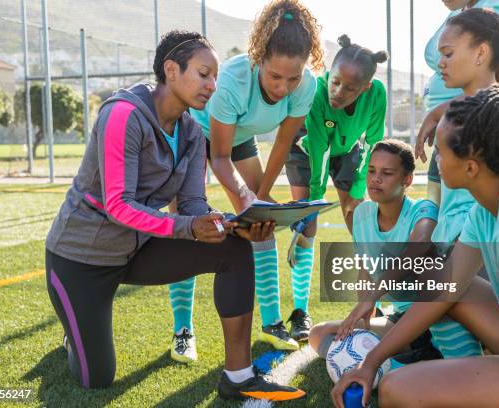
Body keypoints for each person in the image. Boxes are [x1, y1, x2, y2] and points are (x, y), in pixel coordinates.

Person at [45, 30, 305, 402]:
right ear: (171, 70)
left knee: (232, 249)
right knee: (96, 379)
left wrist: (229, 224)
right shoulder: (122, 115)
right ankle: (74, 330)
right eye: (203, 74)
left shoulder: (192, 132)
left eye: (215, 76)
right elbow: (119, 205)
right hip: (81, 258)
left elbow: (193, 204)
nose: (212, 86)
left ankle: (238, 375)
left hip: (137, 251)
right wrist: (188, 226)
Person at [332, 85, 499, 408]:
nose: (435, 161)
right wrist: (370, 361)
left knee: (397, 390)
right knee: (450, 284)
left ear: (471, 167)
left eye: (440, 152)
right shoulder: (493, 204)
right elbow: (444, 289)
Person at [171, 0, 323, 354]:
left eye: (293, 78)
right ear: (259, 60)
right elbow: (218, 156)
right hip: (197, 136)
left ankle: (271, 323)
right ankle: (182, 331)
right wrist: (245, 199)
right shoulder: (233, 82)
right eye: (274, 76)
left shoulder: (307, 85)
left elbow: (283, 144)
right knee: (184, 222)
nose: (284, 87)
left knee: (262, 218)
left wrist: (261, 198)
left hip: (239, 137)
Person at [282, 35, 387, 340]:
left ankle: (372, 303)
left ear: (365, 87)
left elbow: (374, 142)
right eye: (336, 81)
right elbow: (319, 151)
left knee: (360, 223)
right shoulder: (316, 93)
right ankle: (300, 312)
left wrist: (359, 186)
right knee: (308, 224)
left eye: (350, 88)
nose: (338, 92)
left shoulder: (376, 93)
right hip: (306, 151)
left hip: (348, 148)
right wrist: (312, 203)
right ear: (330, 71)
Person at [307, 139, 444, 362]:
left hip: (431, 318)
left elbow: (419, 246)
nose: (376, 179)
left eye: (387, 173)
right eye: (371, 171)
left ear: (407, 180)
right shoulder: (362, 214)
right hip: (399, 319)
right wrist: (367, 320)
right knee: (318, 334)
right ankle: (401, 358)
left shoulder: (423, 210)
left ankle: (406, 359)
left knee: (367, 352)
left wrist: (373, 296)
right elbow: (365, 272)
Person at [415, 0, 499, 206]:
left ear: (482, 52)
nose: (442, 62)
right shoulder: (461, 12)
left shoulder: (498, 13)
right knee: (441, 221)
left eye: (448, 54)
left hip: (469, 137)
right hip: (451, 134)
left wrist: (441, 113)